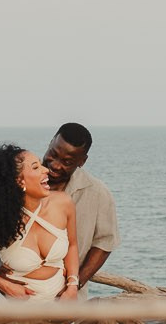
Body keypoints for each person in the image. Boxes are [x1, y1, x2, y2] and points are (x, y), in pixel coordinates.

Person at [0, 142, 80, 300]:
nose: (46, 170)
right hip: (15, 313)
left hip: (60, 311)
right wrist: (4, 285)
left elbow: (72, 245)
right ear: (19, 181)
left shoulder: (63, 203)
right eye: (36, 167)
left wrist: (72, 286)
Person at [40, 122, 118, 286]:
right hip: (14, 302)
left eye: (67, 162)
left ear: (82, 161)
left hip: (67, 304)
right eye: (53, 154)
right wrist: (1, 280)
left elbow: (104, 243)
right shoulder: (17, 182)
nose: (55, 165)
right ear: (50, 142)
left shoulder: (98, 194)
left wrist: (74, 285)